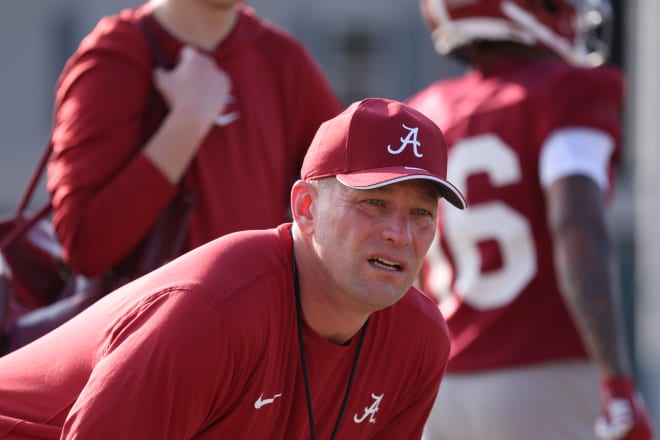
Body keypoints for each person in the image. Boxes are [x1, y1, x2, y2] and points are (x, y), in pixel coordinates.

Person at [0, 98, 467, 439]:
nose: (400, 234)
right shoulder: (213, 312)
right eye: (374, 202)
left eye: (422, 213)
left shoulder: (420, 339)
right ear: (305, 208)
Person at [2, 0, 342, 352]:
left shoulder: (283, 60)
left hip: (251, 354)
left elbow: (344, 200)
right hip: (141, 355)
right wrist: (187, 122)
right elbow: (86, 245)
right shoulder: (115, 56)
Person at [408, 1, 653, 440]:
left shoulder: (426, 111)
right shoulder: (566, 90)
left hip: (439, 386)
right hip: (543, 376)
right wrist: (617, 380)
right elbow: (576, 224)